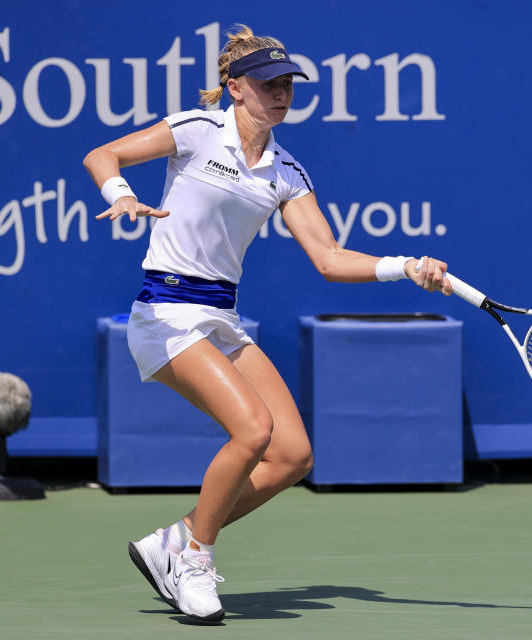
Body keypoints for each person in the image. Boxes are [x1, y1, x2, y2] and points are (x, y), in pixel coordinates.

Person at [83, 24, 452, 623]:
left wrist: (405, 265)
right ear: (235, 88)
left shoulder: (287, 171)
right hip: (166, 313)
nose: (280, 94)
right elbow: (104, 154)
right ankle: (195, 559)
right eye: (267, 84)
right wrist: (120, 193)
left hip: (219, 317)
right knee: (252, 430)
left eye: (287, 85)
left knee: (292, 456)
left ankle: (175, 539)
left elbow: (330, 260)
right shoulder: (197, 131)